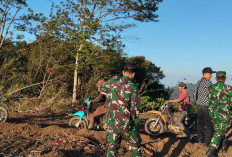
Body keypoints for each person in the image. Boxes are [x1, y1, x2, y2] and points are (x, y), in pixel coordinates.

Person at [100, 64, 141, 157]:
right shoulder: (133, 88)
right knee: (134, 145)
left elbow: (101, 87)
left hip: (111, 122)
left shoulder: (111, 83)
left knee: (111, 149)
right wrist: (135, 121)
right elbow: (134, 109)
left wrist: (112, 80)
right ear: (133, 74)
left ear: (123, 72)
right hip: (126, 123)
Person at [205, 71, 232, 157]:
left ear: (216, 79)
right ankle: (210, 151)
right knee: (221, 131)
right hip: (222, 113)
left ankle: (223, 146)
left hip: (212, 112)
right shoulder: (228, 88)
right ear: (225, 79)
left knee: (218, 129)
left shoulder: (210, 87)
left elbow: (209, 98)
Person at [195, 67, 214, 146]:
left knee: (200, 123)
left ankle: (199, 140)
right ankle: (207, 143)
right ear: (205, 74)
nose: (211, 75)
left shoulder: (199, 81)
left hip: (199, 105)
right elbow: (212, 94)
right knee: (209, 124)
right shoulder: (208, 83)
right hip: (206, 105)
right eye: (210, 74)